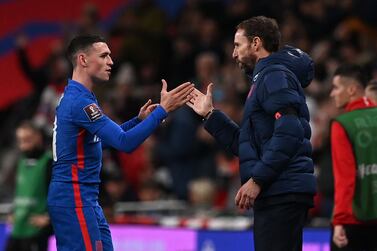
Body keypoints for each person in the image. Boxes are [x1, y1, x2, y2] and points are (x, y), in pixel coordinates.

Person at [47, 35, 194, 251]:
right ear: (83, 60)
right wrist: (163, 110)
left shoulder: (79, 97)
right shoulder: (79, 102)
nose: (111, 62)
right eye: (104, 55)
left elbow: (100, 142)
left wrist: (139, 121)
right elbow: (125, 143)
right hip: (73, 197)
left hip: (83, 197)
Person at [187, 16, 316, 251]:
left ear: (256, 43)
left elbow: (290, 131)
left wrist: (257, 179)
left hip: (282, 190)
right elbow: (248, 146)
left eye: (237, 45)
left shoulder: (274, 76)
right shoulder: (265, 80)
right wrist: (210, 115)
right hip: (278, 190)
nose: (234, 54)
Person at [329, 64, 377, 250]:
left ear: (351, 89)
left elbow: (345, 178)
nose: (332, 94)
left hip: (355, 220)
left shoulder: (343, 124)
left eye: (336, 87)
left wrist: (339, 220)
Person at [5, 121, 52, 251]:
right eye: (20, 141)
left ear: (38, 137)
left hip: (35, 229)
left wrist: (48, 217)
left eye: (27, 140)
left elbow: (57, 193)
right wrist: (12, 211)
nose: (23, 145)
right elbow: (19, 191)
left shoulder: (48, 162)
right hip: (18, 226)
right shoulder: (20, 162)